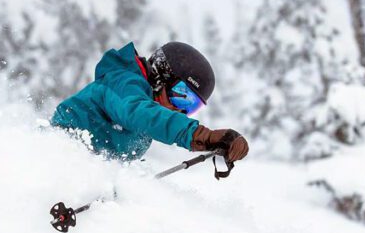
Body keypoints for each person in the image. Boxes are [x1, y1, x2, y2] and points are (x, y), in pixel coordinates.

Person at [50, 41, 249, 163]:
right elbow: (138, 112)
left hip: (78, 182)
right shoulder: (123, 82)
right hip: (54, 157)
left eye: (191, 106)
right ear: (161, 76)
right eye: (182, 95)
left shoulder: (148, 120)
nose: (179, 110)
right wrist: (200, 135)